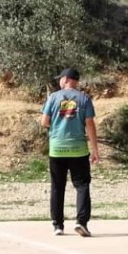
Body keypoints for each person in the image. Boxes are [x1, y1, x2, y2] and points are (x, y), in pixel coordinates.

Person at [40, 68, 99, 237]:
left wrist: (58, 124)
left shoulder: (53, 97)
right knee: (82, 185)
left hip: (57, 148)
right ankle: (81, 222)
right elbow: (90, 125)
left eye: (60, 79)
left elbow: (44, 122)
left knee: (57, 187)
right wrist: (95, 149)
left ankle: (58, 225)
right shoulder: (84, 99)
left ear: (65, 79)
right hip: (78, 150)